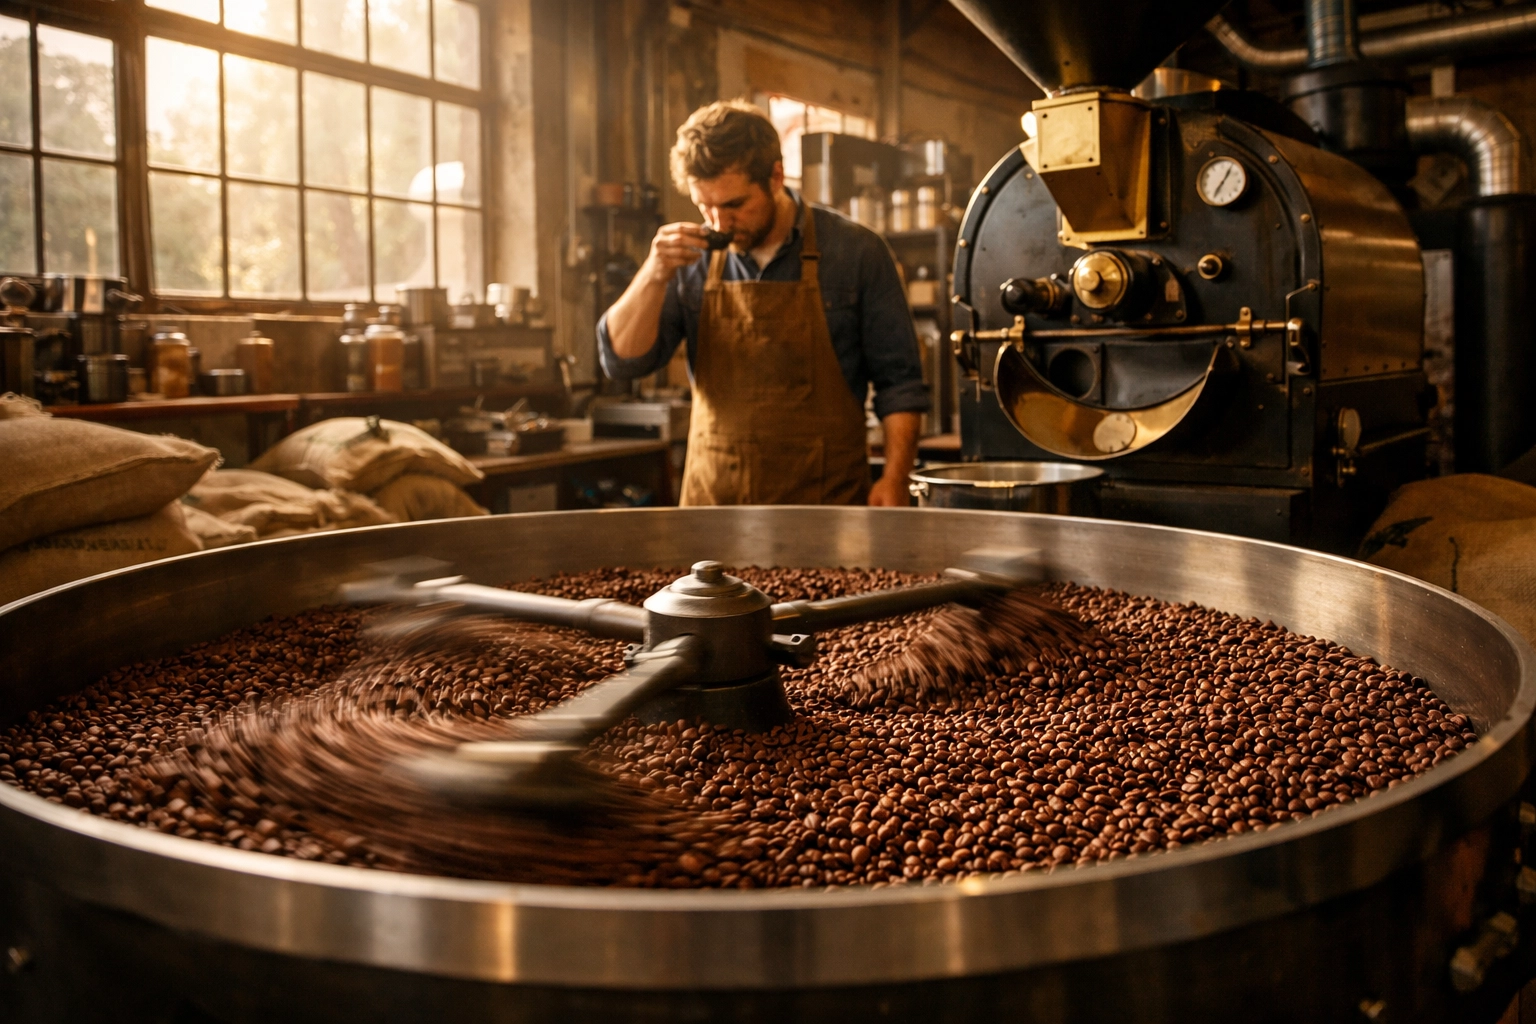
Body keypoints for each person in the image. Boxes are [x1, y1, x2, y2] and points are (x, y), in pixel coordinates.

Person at [598, 99, 929, 507]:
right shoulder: (689, 260)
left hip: (826, 505)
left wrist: (895, 478)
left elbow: (901, 384)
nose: (718, 223)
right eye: (705, 206)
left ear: (775, 176)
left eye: (734, 205)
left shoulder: (856, 252)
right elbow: (623, 362)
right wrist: (653, 273)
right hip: (715, 508)